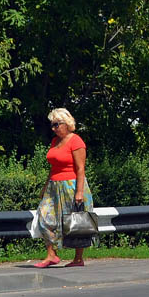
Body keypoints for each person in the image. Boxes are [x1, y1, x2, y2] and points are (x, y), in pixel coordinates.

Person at [34, 108, 95, 268]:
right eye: (52, 125)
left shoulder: (76, 141)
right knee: (43, 216)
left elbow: (81, 168)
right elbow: (53, 167)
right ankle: (52, 254)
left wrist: (79, 192)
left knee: (76, 221)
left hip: (71, 185)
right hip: (54, 186)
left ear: (66, 123)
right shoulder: (55, 141)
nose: (53, 128)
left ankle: (78, 258)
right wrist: (45, 187)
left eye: (56, 125)